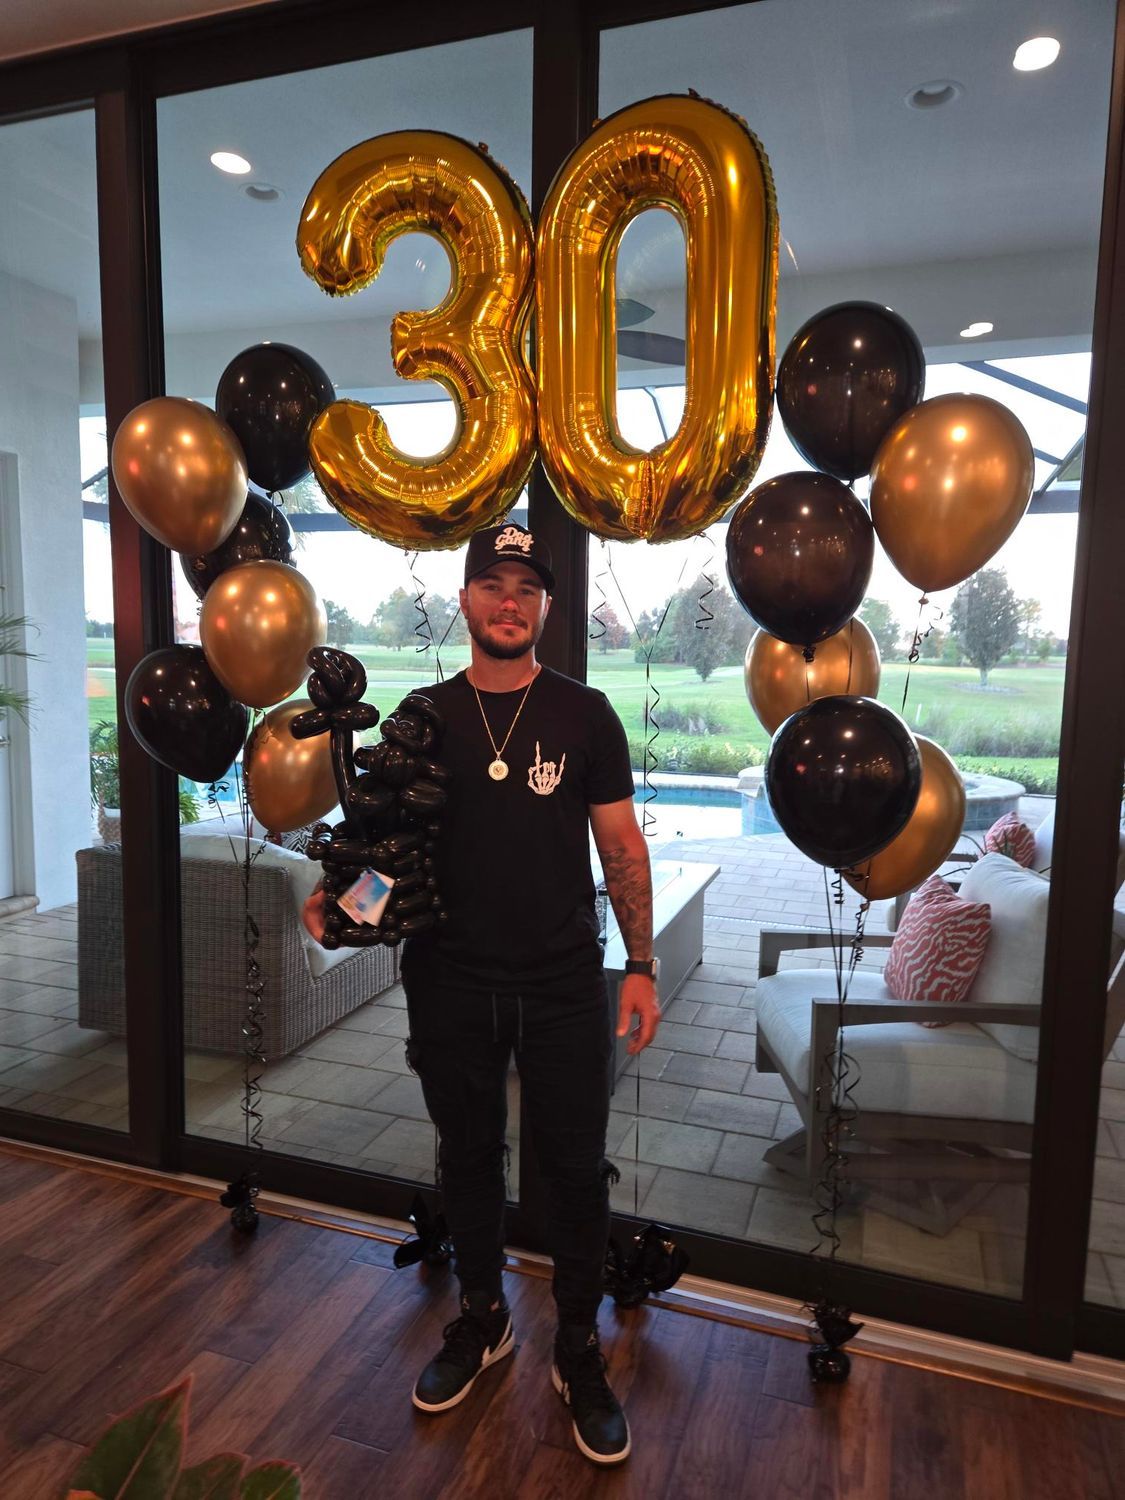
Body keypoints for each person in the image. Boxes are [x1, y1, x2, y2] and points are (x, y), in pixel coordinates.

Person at [304, 521, 658, 1466]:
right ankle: (483, 1318)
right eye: (492, 585)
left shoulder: (586, 716)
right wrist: (344, 904)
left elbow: (621, 850)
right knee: (466, 1157)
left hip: (559, 985)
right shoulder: (421, 719)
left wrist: (641, 964)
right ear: (464, 601)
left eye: (526, 589)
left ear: (545, 607)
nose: (509, 602)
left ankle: (577, 1347)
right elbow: (391, 852)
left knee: (576, 1172)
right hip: (451, 979)